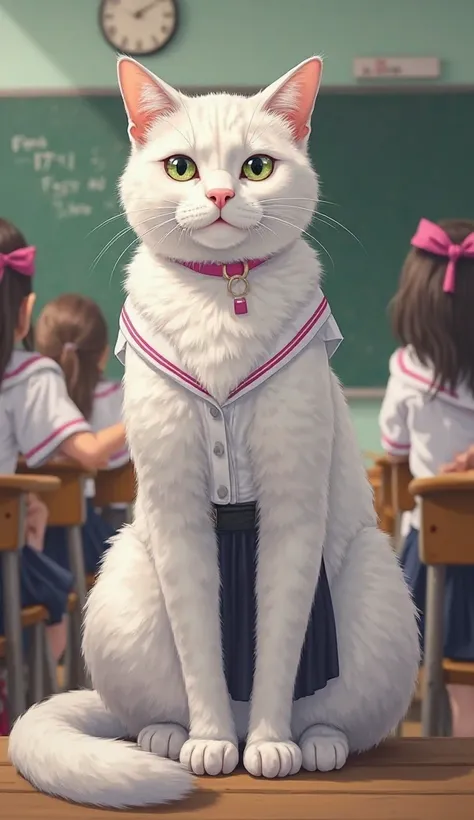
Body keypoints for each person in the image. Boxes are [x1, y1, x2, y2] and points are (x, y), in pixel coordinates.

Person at [0, 217, 126, 666]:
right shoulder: (28, 380)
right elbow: (89, 453)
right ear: (23, 311)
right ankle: (31, 704)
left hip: (32, 535)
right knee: (57, 585)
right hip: (37, 552)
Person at [379, 217, 474, 736]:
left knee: (413, 656)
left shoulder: (409, 372)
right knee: (466, 691)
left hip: (436, 560)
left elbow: (394, 446)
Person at [35, 294, 129, 576]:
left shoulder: (33, 399)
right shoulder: (121, 400)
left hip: (29, 537)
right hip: (87, 534)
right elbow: (99, 455)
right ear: (103, 355)